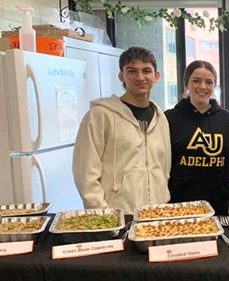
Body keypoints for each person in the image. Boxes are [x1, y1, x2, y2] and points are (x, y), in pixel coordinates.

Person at [73, 47, 171, 214]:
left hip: (156, 214)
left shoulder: (160, 117)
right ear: (121, 76)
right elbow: (86, 173)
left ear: (156, 76)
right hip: (117, 215)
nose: (140, 77)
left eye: (146, 71)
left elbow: (164, 168)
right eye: (132, 71)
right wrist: (104, 215)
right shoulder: (100, 115)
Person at [165, 61, 229, 215]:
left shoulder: (225, 118)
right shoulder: (170, 118)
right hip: (180, 205)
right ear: (186, 84)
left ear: (215, 85)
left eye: (209, 82)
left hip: (218, 205)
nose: (202, 86)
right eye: (196, 81)